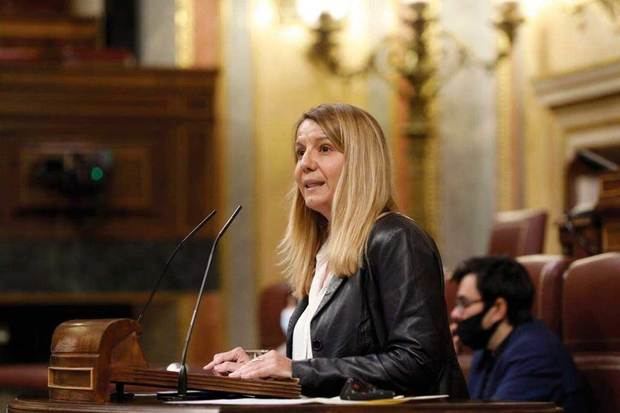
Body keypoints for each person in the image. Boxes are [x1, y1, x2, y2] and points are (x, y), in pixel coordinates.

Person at [204, 103, 468, 398]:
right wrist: (258, 366)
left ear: (360, 162)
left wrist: (293, 369)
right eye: (300, 151)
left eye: (325, 148)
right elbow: (322, 363)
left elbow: (417, 362)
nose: (305, 163)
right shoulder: (323, 252)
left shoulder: (396, 238)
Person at [449, 256, 588, 413]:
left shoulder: (534, 354)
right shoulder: (485, 350)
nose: (454, 313)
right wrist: (447, 367)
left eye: (464, 304)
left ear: (498, 308)